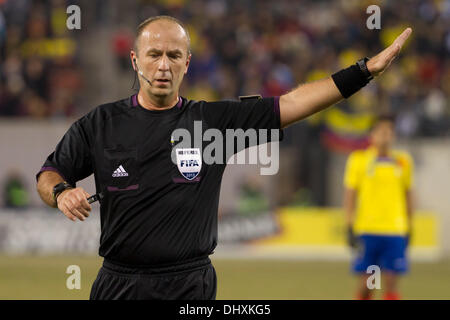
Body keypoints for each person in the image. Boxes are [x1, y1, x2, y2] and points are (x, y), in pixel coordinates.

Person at [36, 15, 412, 300]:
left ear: (187, 62)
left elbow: (294, 103)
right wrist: (61, 192)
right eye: (154, 55)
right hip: (119, 283)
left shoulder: (214, 123)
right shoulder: (101, 123)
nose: (163, 65)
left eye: (174, 55)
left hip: (190, 285)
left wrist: (363, 71)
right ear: (135, 60)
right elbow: (49, 173)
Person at [343, 115, 414, 300]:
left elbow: (408, 194)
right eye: (381, 131)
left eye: (389, 132)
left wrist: (410, 225)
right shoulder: (359, 160)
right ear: (371, 136)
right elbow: (350, 195)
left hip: (395, 231)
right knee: (369, 285)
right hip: (368, 230)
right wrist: (349, 224)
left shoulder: (403, 162)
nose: (385, 136)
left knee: (391, 284)